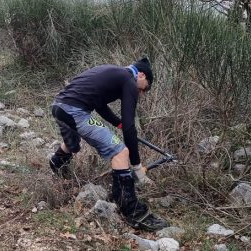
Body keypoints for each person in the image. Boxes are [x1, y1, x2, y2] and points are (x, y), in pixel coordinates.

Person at [48, 57, 169, 231]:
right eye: (146, 87)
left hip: (60, 106)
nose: (142, 93)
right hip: (75, 111)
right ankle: (133, 211)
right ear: (141, 75)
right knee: (120, 152)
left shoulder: (113, 72)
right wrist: (136, 166)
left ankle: (56, 164)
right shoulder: (129, 79)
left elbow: (99, 105)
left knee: (73, 144)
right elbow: (129, 128)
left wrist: (117, 123)